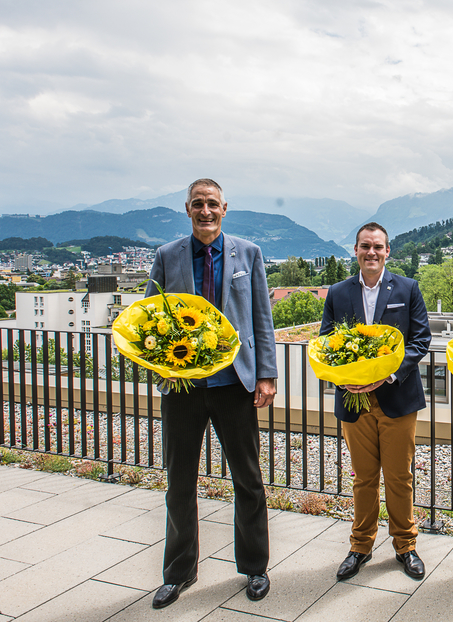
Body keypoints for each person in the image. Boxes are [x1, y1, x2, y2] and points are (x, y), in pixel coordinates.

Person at [146, 178, 276, 609]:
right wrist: (160, 368)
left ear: (225, 209)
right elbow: (148, 318)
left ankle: (255, 567)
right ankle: (178, 574)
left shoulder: (249, 253)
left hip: (234, 385)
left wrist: (266, 375)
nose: (206, 211)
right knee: (179, 482)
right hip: (183, 387)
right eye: (198, 204)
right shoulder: (167, 257)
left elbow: (261, 318)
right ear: (188, 209)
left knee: (249, 480)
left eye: (213, 205)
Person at [320, 222, 432, 581]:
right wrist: (346, 378)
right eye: (365, 246)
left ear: (387, 252)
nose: (372, 252)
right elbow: (325, 343)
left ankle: (405, 546)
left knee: (400, 477)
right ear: (355, 250)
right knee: (364, 478)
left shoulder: (408, 288)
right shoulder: (337, 292)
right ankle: (360, 546)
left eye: (378, 247)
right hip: (354, 402)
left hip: (397, 398)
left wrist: (390, 374)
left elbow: (420, 340)